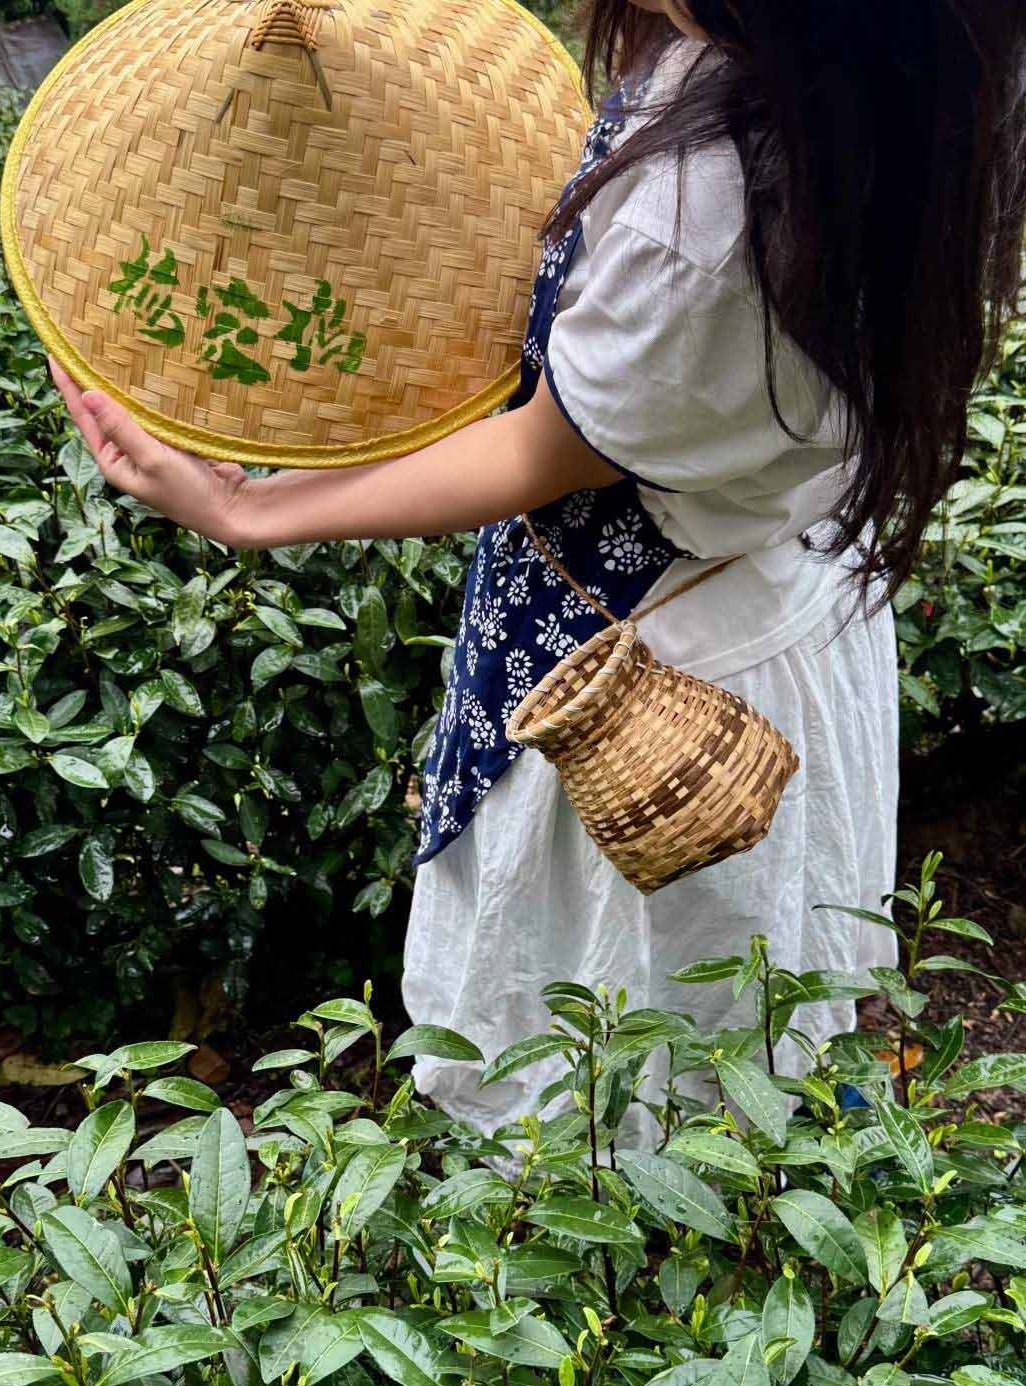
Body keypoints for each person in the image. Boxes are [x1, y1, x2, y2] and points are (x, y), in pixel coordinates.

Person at [49, 0, 1026, 1147]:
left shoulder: (699, 216)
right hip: (786, 594)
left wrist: (246, 507)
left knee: (615, 1095)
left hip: (647, 681)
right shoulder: (923, 76)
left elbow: (534, 450)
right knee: (770, 1031)